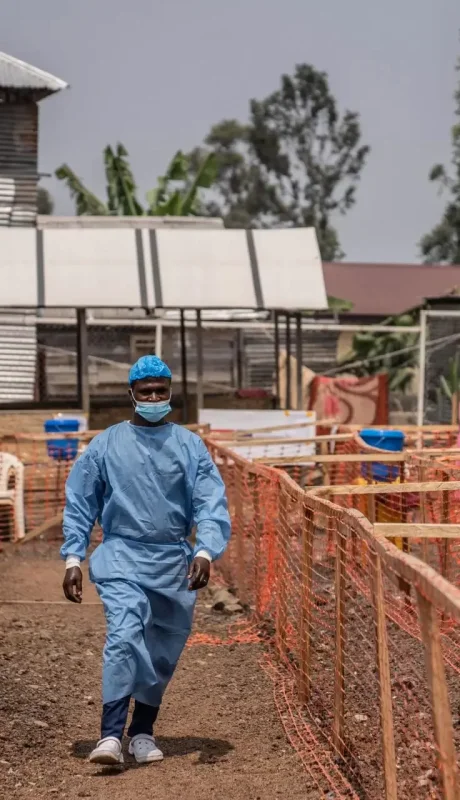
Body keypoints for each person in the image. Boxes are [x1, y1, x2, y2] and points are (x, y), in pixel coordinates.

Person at [61, 355, 231, 766]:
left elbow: (210, 501)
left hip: (173, 560)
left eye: (161, 390)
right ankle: (109, 736)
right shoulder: (106, 444)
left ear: (170, 392)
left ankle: (141, 732)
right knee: (124, 632)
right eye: (145, 391)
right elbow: (80, 502)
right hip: (121, 554)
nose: (154, 397)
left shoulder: (189, 445)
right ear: (131, 394)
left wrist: (205, 550)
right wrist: (72, 557)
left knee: (162, 650)